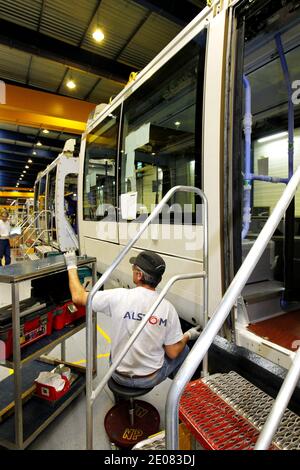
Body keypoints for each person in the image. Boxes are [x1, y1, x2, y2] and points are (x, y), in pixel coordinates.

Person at [64, 250, 200, 389]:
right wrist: (188, 335)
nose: (132, 270)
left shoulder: (118, 296)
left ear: (139, 275)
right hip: (148, 379)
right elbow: (172, 353)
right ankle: (178, 394)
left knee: (117, 347)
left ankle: (120, 395)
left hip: (117, 374)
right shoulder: (167, 308)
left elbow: (78, 297)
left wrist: (71, 265)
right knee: (183, 350)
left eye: (134, 268)